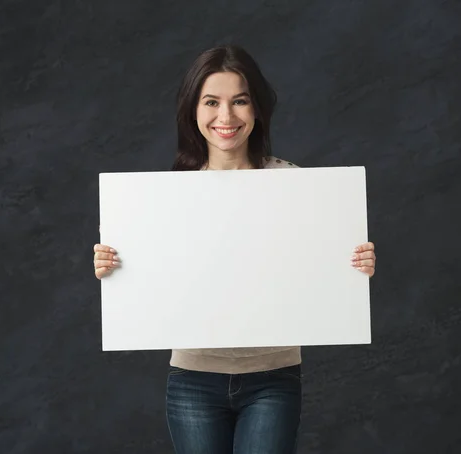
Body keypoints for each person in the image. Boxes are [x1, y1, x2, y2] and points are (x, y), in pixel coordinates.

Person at [93, 45, 376, 454]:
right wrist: (114, 267)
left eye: (239, 101)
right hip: (192, 380)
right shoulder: (163, 196)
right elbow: (155, 282)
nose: (225, 117)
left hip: (273, 377)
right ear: (193, 110)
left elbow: (320, 267)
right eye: (212, 102)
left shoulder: (294, 184)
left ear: (257, 109)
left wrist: (354, 265)